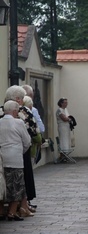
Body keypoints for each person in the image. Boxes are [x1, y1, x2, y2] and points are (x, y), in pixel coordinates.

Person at [4, 86, 38, 216]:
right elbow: (33, 131)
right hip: (19, 151)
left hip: (3, 153)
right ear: (18, 99)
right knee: (20, 180)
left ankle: (22, 206)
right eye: (22, 98)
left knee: (6, 181)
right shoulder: (22, 111)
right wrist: (23, 148)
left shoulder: (2, 110)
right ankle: (20, 207)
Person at [0, 100, 31, 221]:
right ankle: (12, 213)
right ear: (14, 111)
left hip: (2, 157)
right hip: (15, 158)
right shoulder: (18, 123)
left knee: (3, 186)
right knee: (17, 186)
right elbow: (27, 142)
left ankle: (1, 211)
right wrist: (20, 151)